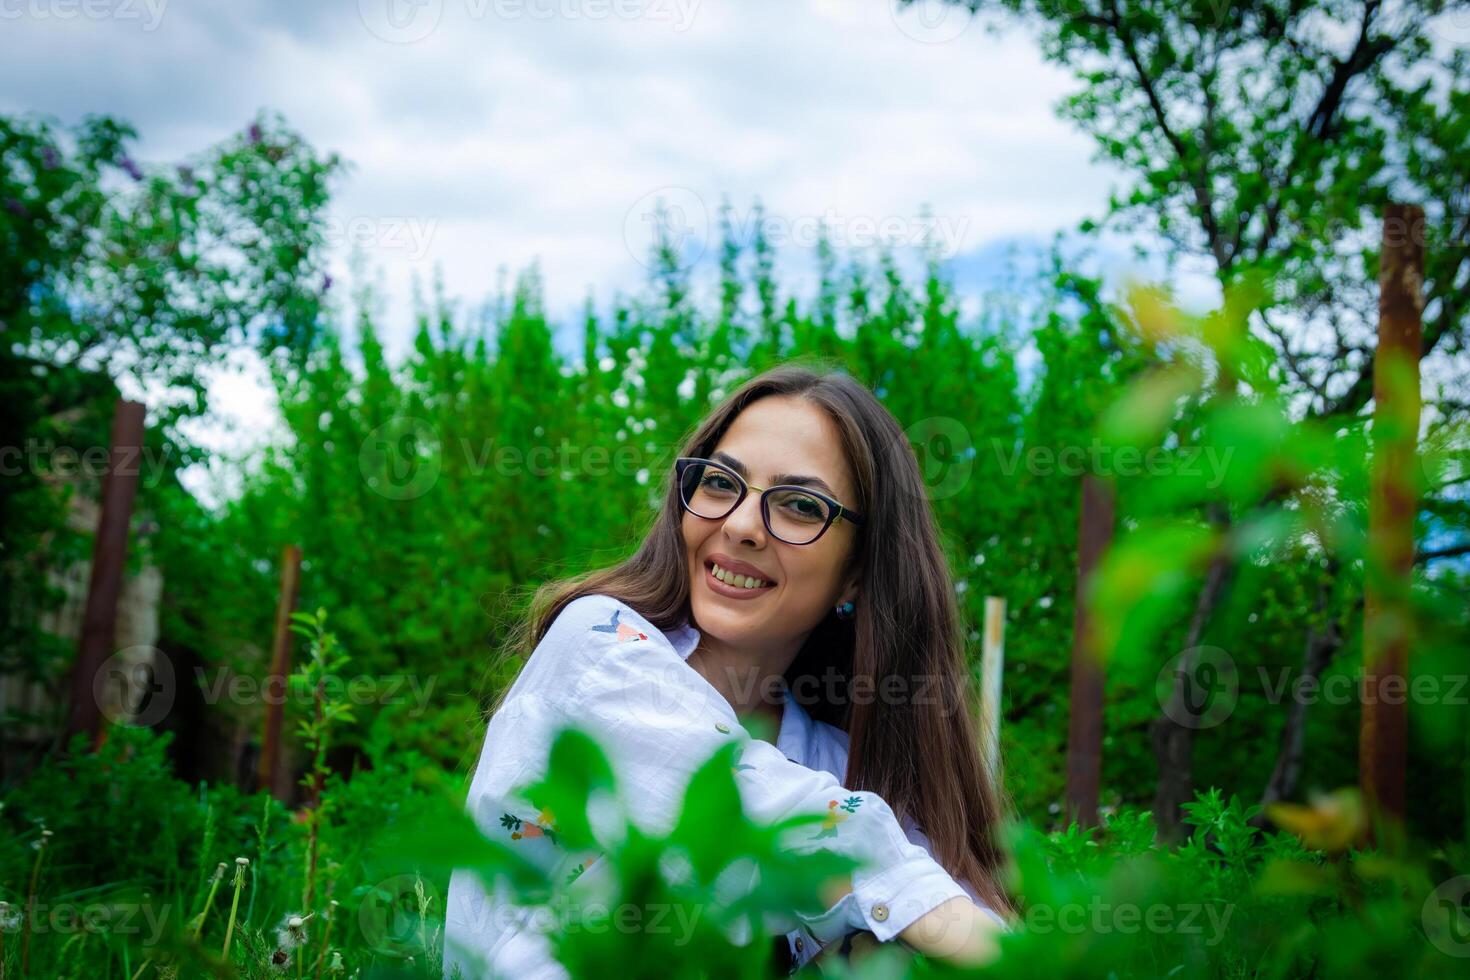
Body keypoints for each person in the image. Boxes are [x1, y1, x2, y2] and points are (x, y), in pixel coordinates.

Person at [445, 365, 1010, 978]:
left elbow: (964, 916)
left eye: (799, 506)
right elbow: (757, 801)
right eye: (720, 483)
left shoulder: (840, 765)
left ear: (857, 572)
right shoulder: (599, 645)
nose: (740, 526)